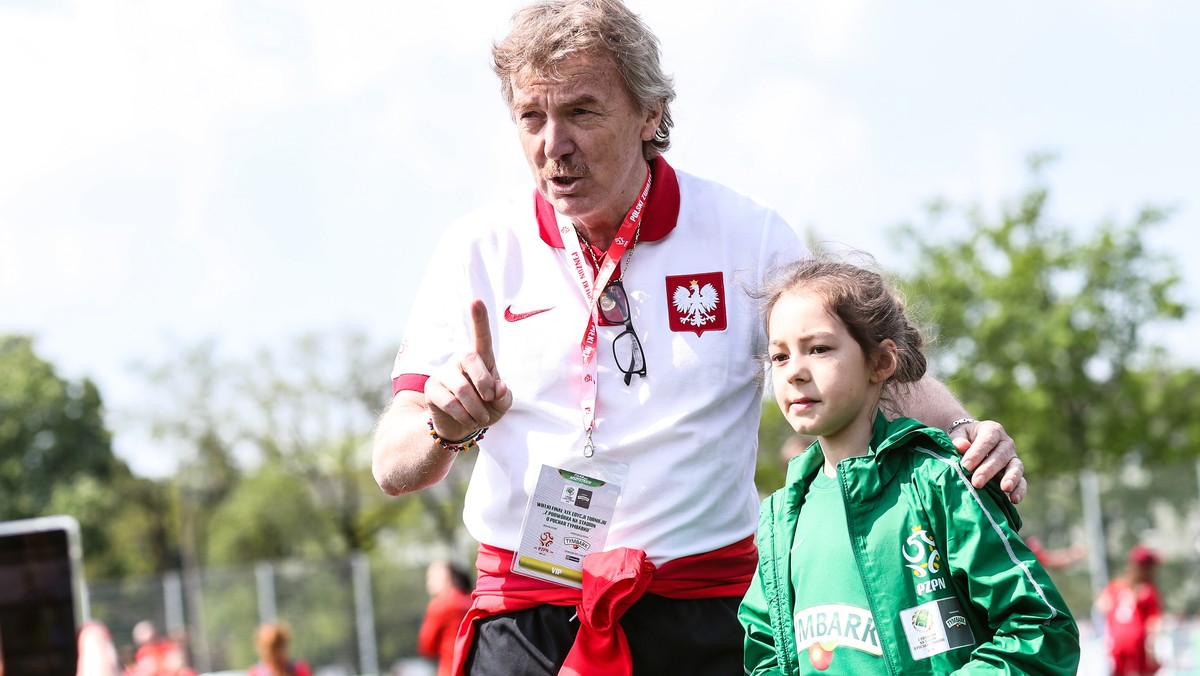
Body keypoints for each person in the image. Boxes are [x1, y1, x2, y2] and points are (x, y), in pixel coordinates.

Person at [371, 1, 1027, 673]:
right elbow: (393, 466)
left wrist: (965, 433)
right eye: (531, 117)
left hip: (711, 614)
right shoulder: (477, 247)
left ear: (650, 113)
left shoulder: (746, 234)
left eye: (582, 113)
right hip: (528, 619)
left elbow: (868, 366)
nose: (552, 144)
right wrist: (440, 427)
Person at [739, 257, 1079, 674]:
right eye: (779, 357)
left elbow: (1040, 628)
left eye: (819, 348)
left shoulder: (939, 483)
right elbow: (766, 656)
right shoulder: (778, 518)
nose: (794, 372)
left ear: (881, 363)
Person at [1096, 545, 1164, 676]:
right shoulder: (1148, 589)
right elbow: (1153, 623)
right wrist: (1151, 650)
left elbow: (1101, 606)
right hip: (1136, 639)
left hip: (1115, 640)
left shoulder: (1115, 585)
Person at [418, 562, 475, 676]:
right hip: (477, 667)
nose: (428, 583)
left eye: (431, 577)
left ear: (447, 578)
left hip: (450, 670)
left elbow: (426, 646)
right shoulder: (472, 601)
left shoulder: (440, 604)